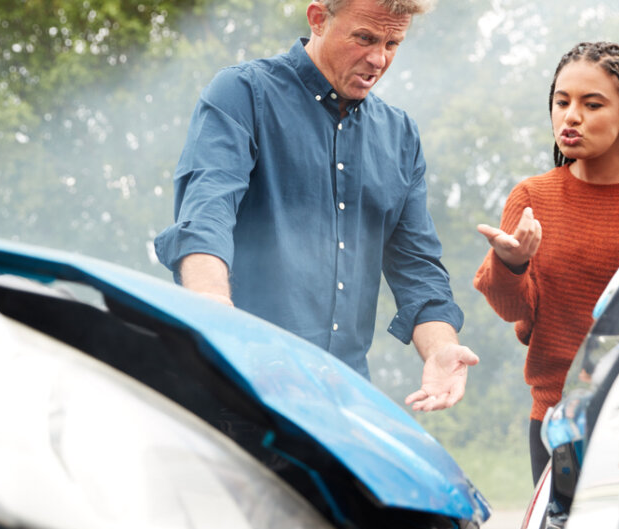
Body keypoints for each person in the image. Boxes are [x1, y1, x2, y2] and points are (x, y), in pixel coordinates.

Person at [154, 0, 478, 411]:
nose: (379, 59)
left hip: (341, 404)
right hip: (234, 389)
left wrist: (440, 348)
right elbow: (205, 214)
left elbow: (417, 267)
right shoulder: (242, 94)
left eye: (393, 43)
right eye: (365, 38)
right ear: (318, 19)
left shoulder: (401, 137)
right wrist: (210, 301)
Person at [473, 42, 619, 483]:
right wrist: (512, 264)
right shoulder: (532, 198)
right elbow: (514, 313)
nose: (570, 116)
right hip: (559, 418)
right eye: (561, 102)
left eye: (591, 104)